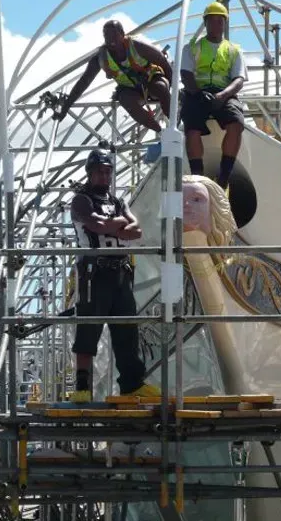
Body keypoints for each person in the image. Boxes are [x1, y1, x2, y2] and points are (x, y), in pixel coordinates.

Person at [69, 147, 160, 402]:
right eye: (99, 172)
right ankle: (82, 388)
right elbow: (95, 225)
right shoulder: (81, 200)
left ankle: (132, 385)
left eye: (108, 172)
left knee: (127, 330)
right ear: (89, 173)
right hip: (93, 272)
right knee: (88, 330)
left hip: (121, 272)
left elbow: (137, 230)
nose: (104, 177)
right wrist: (119, 226)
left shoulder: (118, 202)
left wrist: (115, 227)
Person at [57, 20, 171, 133]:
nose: (111, 39)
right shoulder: (101, 58)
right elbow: (84, 82)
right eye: (106, 36)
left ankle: (174, 124)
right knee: (126, 100)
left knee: (161, 87)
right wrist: (66, 107)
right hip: (131, 90)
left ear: (122, 34)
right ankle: (161, 132)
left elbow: (164, 63)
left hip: (151, 80)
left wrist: (173, 90)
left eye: (114, 35)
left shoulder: (138, 46)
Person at [180, 2, 247, 189]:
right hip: (197, 92)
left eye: (220, 21)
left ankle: (224, 177)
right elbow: (186, 74)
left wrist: (223, 96)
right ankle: (198, 177)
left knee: (236, 123)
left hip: (223, 93)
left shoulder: (234, 50)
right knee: (191, 125)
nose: (217, 25)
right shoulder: (192, 48)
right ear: (205, 22)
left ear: (225, 23)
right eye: (212, 21)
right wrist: (198, 93)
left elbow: (239, 79)